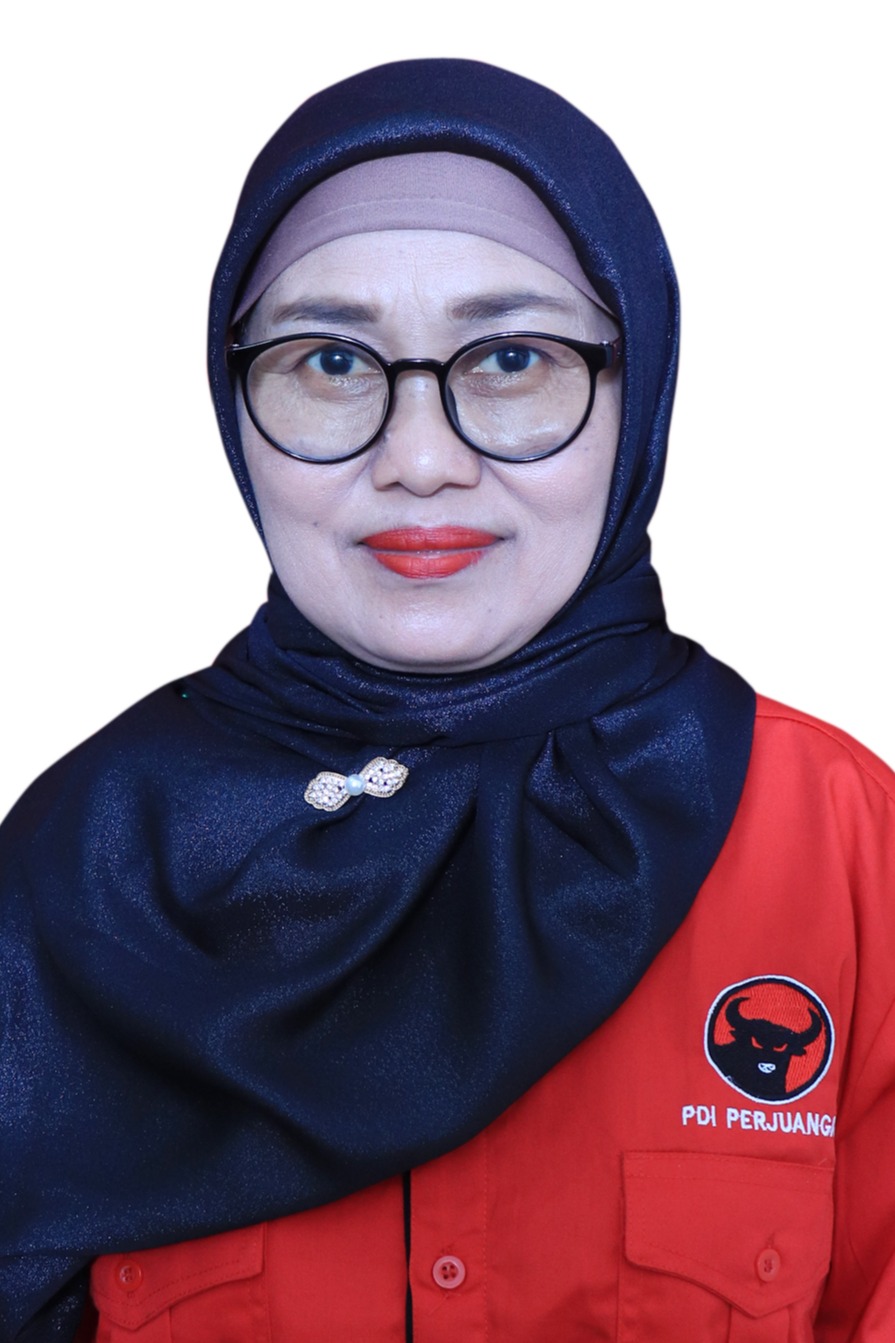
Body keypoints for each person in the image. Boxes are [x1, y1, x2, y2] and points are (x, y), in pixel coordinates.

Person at [2, 58, 892, 1343]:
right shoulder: (87, 870)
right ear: (233, 405)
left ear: (637, 391)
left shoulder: (837, 847)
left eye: (513, 357)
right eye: (328, 360)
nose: (419, 459)